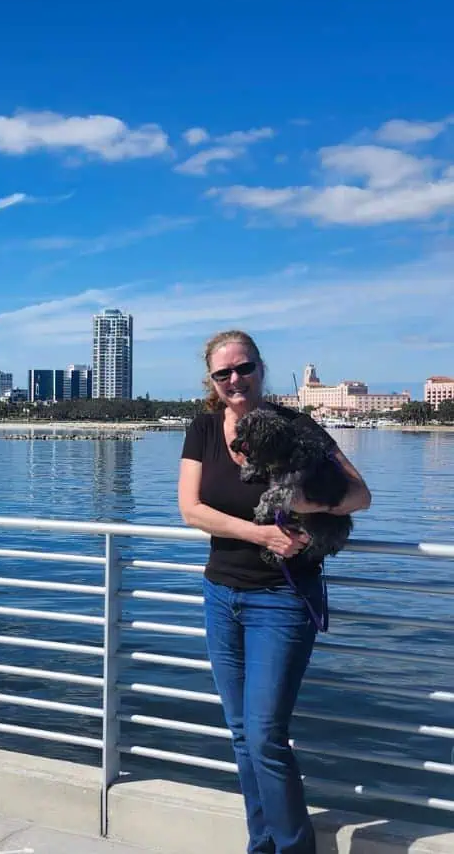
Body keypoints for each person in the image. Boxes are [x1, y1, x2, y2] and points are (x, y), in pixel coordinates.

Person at [178, 330, 371, 854]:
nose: (235, 380)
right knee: (243, 735)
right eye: (223, 374)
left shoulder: (297, 426)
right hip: (221, 594)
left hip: (283, 600)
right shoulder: (202, 430)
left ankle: (292, 848)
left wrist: (307, 507)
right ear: (212, 381)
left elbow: (360, 495)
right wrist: (260, 532)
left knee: (264, 735)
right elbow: (191, 509)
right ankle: (261, 844)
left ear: (260, 369)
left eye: (244, 369)